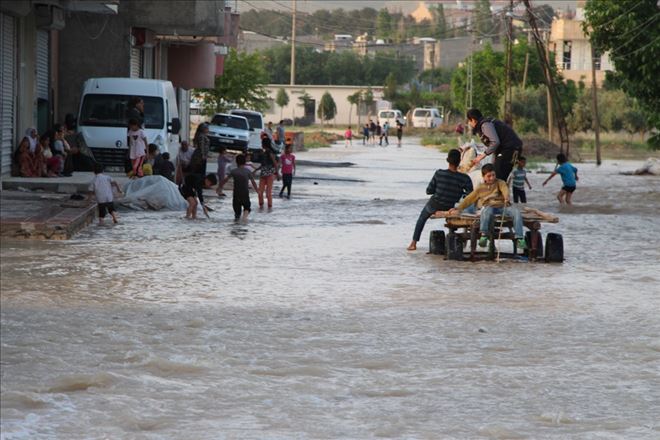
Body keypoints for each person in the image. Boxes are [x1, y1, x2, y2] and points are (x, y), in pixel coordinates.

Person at [407, 149, 473, 251]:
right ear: (459, 161)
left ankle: (413, 243)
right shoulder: (464, 178)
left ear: (447, 160)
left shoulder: (439, 173)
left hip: (435, 205)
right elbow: (470, 195)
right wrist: (459, 193)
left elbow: (429, 191)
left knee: (422, 218)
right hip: (451, 206)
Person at [449, 163, 526, 250]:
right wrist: (458, 208)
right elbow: (469, 199)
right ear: (483, 176)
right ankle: (484, 235)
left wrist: (506, 197)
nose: (492, 178)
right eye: (489, 176)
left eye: (493, 175)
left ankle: (520, 238)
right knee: (486, 212)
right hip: (489, 206)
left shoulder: (500, 182)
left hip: (503, 206)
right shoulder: (480, 188)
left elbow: (505, 189)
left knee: (516, 212)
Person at [467, 108, 523, 181]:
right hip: (509, 149)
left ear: (473, 120)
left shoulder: (485, 125)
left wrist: (481, 157)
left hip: (510, 149)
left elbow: (495, 142)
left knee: (497, 176)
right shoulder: (486, 123)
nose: (469, 123)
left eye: (469, 121)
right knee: (497, 174)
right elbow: (494, 145)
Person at [221, 154, 258, 222]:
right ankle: (244, 218)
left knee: (237, 213)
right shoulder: (247, 171)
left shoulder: (234, 171)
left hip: (236, 194)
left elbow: (225, 180)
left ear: (236, 162)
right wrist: (257, 191)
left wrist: (219, 187)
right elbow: (253, 182)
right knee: (247, 207)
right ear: (245, 162)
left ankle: (236, 224)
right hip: (245, 194)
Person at [257, 134, 280, 209]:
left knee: (266, 193)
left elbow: (275, 163)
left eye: (262, 143)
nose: (261, 145)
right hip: (263, 175)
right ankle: (263, 207)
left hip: (270, 175)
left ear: (264, 144)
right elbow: (263, 165)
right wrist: (255, 170)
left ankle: (268, 208)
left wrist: (277, 174)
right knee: (261, 193)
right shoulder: (263, 153)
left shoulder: (270, 153)